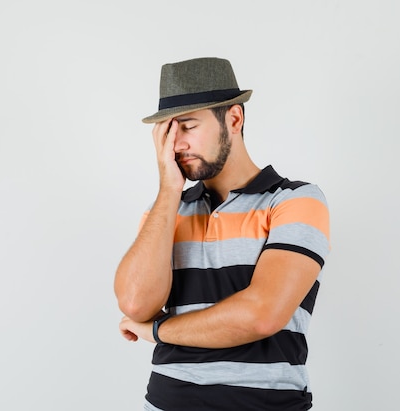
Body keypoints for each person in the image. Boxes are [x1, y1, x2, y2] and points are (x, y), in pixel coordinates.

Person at [114, 57, 330, 411]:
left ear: (233, 118)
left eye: (187, 126)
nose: (176, 145)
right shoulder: (165, 214)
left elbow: (262, 315)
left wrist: (157, 331)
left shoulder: (296, 200)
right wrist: (169, 189)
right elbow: (136, 304)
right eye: (167, 132)